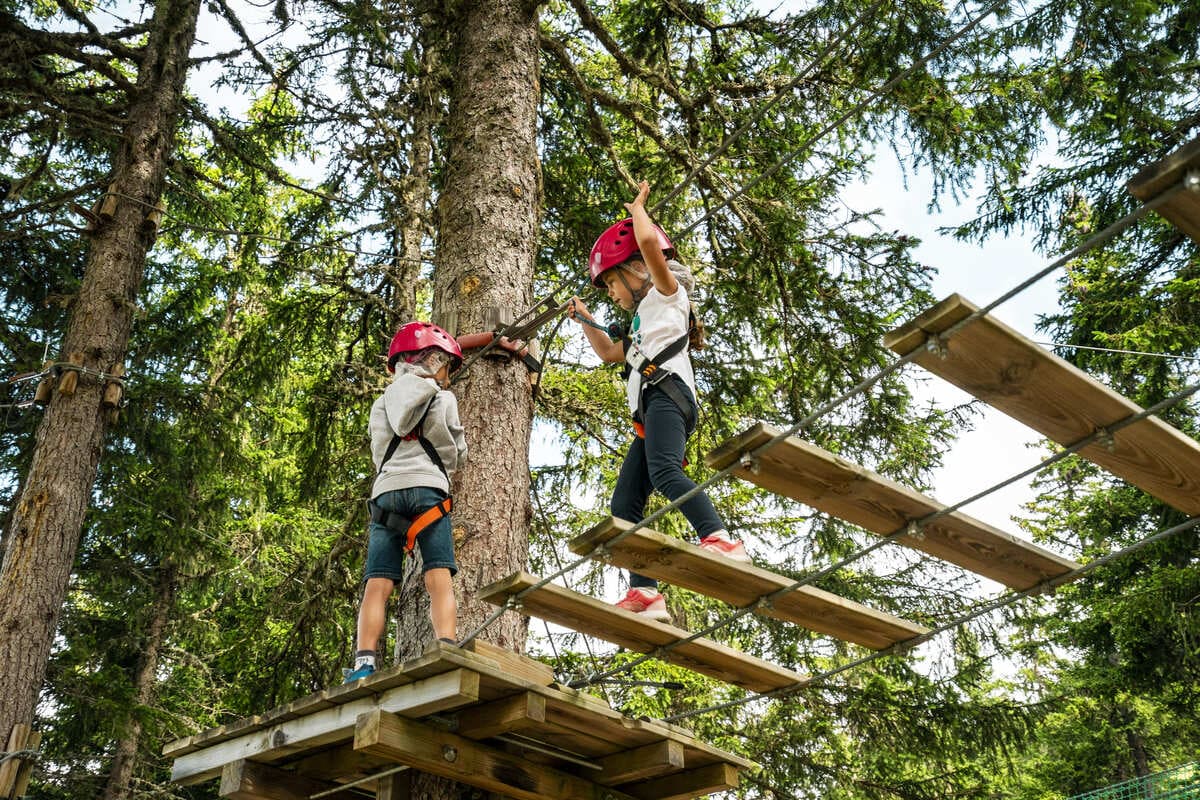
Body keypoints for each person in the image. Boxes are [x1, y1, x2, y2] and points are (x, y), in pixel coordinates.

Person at [568, 180, 749, 622]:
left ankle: (721, 539)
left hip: (669, 397)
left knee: (666, 471)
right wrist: (587, 320)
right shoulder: (638, 325)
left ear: (638, 270)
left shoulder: (668, 296)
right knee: (624, 505)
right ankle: (645, 592)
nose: (611, 292)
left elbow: (649, 243)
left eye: (612, 281)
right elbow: (611, 353)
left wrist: (638, 212)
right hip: (650, 412)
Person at [345, 321, 468, 682]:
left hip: (386, 493)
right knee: (438, 574)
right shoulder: (444, 398)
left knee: (378, 583)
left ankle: (363, 663)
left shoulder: (380, 403)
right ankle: (445, 644)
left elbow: (378, 450)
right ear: (434, 361)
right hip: (429, 490)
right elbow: (456, 451)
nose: (446, 375)